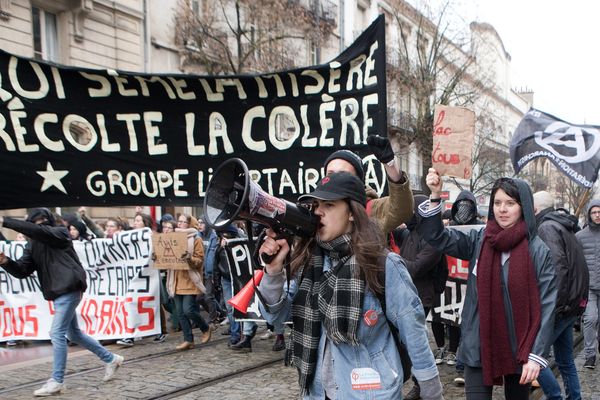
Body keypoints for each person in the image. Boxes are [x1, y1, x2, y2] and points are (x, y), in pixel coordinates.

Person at [258, 172, 443, 399]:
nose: (318, 212)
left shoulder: (383, 264)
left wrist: (432, 392)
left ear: (353, 214)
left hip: (371, 393)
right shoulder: (311, 262)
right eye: (315, 205)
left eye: (329, 204)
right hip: (317, 392)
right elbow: (276, 319)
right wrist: (274, 272)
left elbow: (413, 332)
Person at [418, 169, 556, 399]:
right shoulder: (479, 240)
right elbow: (438, 237)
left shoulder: (538, 251)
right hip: (478, 341)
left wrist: (536, 354)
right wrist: (434, 195)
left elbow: (548, 304)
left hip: (519, 347)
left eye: (510, 203)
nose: (502, 209)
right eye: (498, 202)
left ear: (523, 206)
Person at [0, 209, 124, 396]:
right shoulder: (32, 245)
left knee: (56, 333)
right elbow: (22, 270)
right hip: (57, 291)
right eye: (35, 222)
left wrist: (4, 221)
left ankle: (57, 380)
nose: (39, 225)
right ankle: (111, 358)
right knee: (73, 334)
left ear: (49, 221)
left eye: (42, 221)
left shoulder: (60, 233)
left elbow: (41, 232)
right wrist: (5, 261)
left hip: (69, 286)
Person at [533, 190, 587, 399]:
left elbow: (557, 270)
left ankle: (555, 396)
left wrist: (553, 309)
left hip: (560, 307)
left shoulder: (546, 227)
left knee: (533, 354)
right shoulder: (563, 225)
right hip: (572, 305)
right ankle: (575, 397)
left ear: (535, 208)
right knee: (565, 360)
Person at [395, 194, 444, 400]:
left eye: (409, 211)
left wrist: (390, 262)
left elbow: (416, 268)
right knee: (403, 343)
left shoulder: (433, 239)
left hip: (420, 297)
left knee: (416, 343)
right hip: (403, 294)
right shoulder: (409, 233)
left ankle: (422, 386)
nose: (405, 217)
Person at [324, 135, 413, 234]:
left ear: (359, 181)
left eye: (343, 174)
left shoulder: (372, 209)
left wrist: (391, 166)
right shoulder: (317, 207)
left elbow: (401, 209)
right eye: (331, 174)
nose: (336, 179)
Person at [442, 191, 485, 386]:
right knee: (455, 322)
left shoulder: (480, 230)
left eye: (468, 204)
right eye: (462, 204)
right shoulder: (450, 228)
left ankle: (462, 365)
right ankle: (458, 360)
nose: (464, 208)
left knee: (468, 323)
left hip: (471, 282)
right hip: (451, 281)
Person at [166, 214, 212, 350]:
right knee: (180, 312)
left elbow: (199, 260)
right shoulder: (172, 238)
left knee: (189, 310)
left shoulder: (195, 239)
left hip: (190, 279)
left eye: (182, 222)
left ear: (189, 224)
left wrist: (189, 258)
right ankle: (188, 340)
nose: (179, 224)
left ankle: (205, 327)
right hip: (176, 280)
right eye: (178, 221)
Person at [576, 199, 600, 368]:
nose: (597, 215)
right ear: (589, 214)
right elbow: (576, 262)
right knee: (590, 319)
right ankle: (590, 355)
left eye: (599, 212)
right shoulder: (580, 236)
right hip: (589, 287)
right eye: (594, 212)